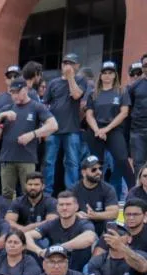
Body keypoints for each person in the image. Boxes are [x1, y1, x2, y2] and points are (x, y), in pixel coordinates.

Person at [0, 80, 57, 200]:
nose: (14, 96)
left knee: (29, 192)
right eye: (12, 93)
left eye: (17, 92)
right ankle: (8, 217)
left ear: (25, 90)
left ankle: (27, 218)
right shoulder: (8, 108)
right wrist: (2, 115)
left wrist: (33, 134)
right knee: (6, 193)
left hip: (27, 158)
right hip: (7, 157)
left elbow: (53, 125)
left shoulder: (36, 106)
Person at [85, 61, 136, 193]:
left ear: (115, 75)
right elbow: (89, 114)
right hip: (96, 131)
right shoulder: (93, 93)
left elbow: (124, 113)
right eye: (104, 73)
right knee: (96, 164)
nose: (107, 76)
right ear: (100, 75)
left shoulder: (121, 91)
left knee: (122, 160)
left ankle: (135, 192)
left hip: (114, 130)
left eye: (110, 73)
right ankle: (97, 193)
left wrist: (106, 129)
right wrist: (97, 130)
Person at [42, 53, 89, 194]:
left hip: (72, 129)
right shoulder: (53, 83)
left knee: (72, 163)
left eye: (71, 63)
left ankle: (71, 193)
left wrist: (70, 78)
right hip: (53, 130)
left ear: (77, 66)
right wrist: (44, 128)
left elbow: (76, 95)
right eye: (65, 63)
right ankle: (47, 193)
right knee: (49, 163)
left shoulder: (81, 79)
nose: (67, 66)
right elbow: (44, 105)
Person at [24, 191, 97, 271]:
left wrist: (58, 248)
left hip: (78, 272)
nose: (64, 208)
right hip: (55, 269)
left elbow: (89, 238)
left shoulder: (83, 223)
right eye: (61, 205)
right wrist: (39, 251)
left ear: (76, 207)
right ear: (57, 207)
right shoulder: (52, 223)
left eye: (68, 204)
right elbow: (26, 236)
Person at [72, 155, 119, 236]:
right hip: (83, 226)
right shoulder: (74, 189)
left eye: (100, 169)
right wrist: (76, 214)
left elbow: (114, 213)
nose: (99, 172)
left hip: (102, 225)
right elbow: (64, 210)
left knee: (110, 223)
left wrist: (94, 215)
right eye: (94, 170)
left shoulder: (108, 189)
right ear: (83, 173)